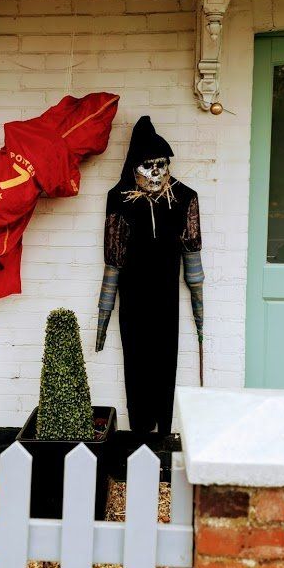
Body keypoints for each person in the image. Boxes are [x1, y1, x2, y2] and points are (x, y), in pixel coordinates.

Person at [95, 116, 204, 435]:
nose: (156, 172)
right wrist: (103, 316)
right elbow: (113, 261)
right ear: (133, 168)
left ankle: (163, 429)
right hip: (133, 296)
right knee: (137, 362)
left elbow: (193, 255)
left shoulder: (184, 198)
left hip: (167, 294)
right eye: (148, 165)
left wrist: (199, 309)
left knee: (165, 358)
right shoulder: (119, 200)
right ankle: (141, 431)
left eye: (161, 164)